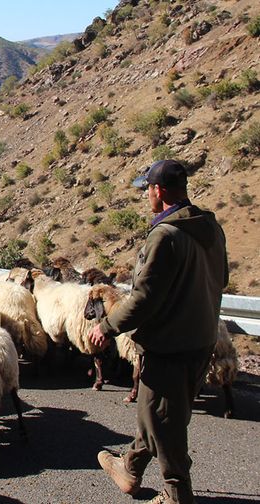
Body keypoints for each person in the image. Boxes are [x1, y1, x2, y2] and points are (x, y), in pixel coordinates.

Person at [89, 159, 228, 504]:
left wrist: (106, 326)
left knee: (164, 422)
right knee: (160, 412)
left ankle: (176, 493)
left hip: (170, 344)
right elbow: (221, 279)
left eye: (147, 189)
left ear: (158, 190)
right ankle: (130, 467)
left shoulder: (165, 236)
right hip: (202, 339)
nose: (146, 195)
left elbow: (144, 298)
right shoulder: (209, 226)